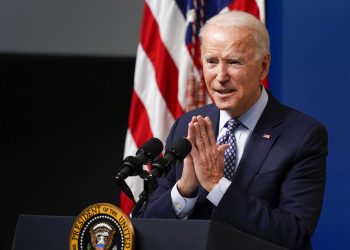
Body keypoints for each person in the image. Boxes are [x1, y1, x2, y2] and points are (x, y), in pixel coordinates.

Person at [139, 11, 328, 250]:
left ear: (263, 66)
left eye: (234, 62)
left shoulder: (303, 136)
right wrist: (185, 189)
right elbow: (148, 224)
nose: (220, 77)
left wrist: (218, 186)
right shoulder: (187, 126)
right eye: (211, 61)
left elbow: (294, 234)